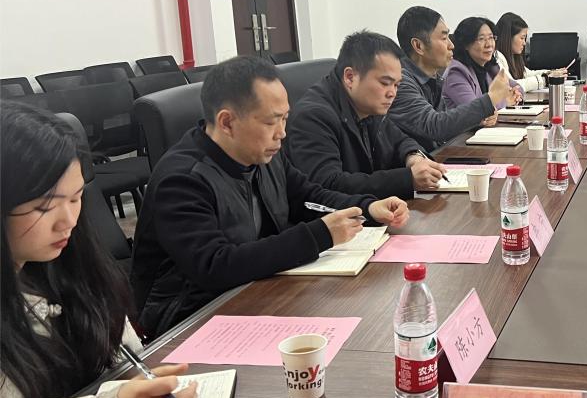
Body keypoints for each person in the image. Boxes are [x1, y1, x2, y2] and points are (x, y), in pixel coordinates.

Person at [131, 56, 409, 338]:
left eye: (285, 118)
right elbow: (215, 265)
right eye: (271, 122)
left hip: (256, 288)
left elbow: (308, 198)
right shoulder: (182, 180)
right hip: (190, 319)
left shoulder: (262, 155)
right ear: (227, 122)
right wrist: (319, 235)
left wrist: (367, 208)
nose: (282, 133)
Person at [1, 102, 199, 398]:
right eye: (44, 207)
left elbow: (125, 356)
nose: (68, 221)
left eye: (76, 198)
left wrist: (141, 389)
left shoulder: (70, 263)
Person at [285, 31, 444, 199]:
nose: (392, 93)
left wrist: (413, 157)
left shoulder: (367, 104)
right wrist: (407, 179)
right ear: (350, 77)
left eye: (396, 85)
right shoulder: (313, 117)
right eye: (385, 83)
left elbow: (399, 140)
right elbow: (328, 184)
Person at [390, 6, 518, 152]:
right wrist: (491, 99)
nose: (451, 45)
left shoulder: (433, 79)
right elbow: (435, 126)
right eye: (444, 38)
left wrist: (479, 120)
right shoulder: (399, 82)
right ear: (419, 46)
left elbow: (446, 120)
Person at [442, 16, 523, 110]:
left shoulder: (490, 68)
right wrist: (506, 101)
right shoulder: (456, 73)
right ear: (466, 44)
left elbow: (518, 88)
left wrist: (515, 95)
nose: (489, 44)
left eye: (491, 38)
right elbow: (475, 110)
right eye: (481, 39)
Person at [494, 12, 568, 92]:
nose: (524, 43)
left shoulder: (513, 57)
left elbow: (527, 74)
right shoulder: (496, 57)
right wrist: (546, 79)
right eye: (522, 38)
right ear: (508, 38)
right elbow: (511, 86)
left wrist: (552, 73)